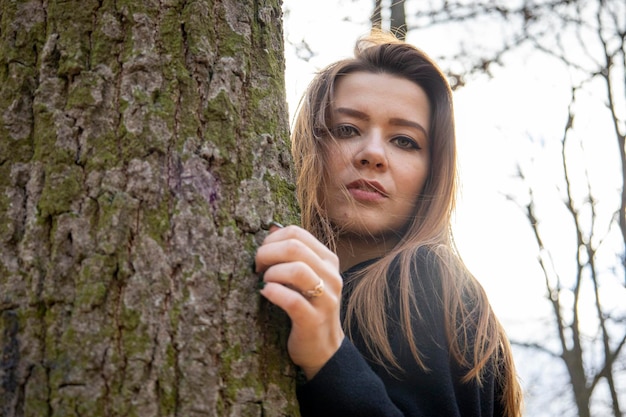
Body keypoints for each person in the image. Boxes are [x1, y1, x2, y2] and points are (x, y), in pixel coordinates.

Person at [254, 31, 523, 417]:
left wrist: (328, 356)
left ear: (432, 173)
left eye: (404, 140)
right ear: (309, 145)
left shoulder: (430, 282)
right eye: (347, 129)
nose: (373, 155)